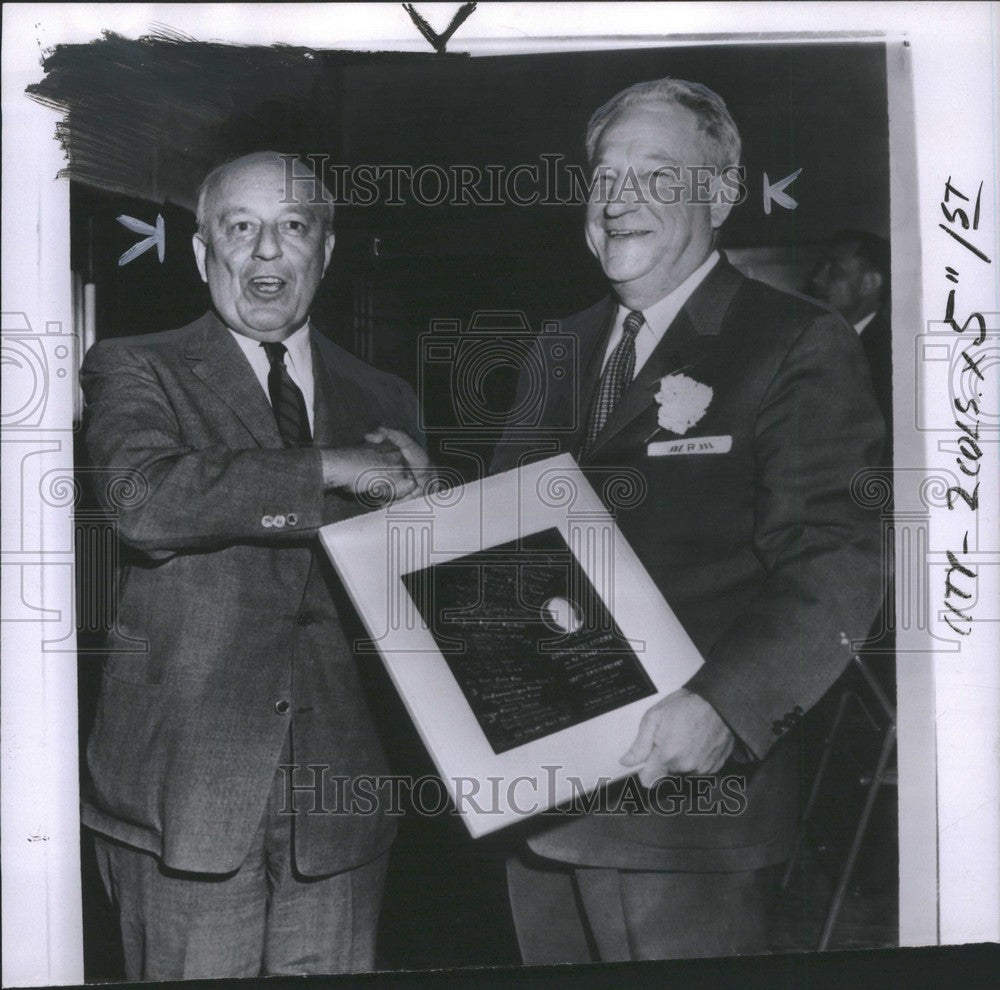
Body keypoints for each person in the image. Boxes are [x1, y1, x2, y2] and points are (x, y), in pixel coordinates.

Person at [490, 78, 885, 961]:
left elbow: (837, 557)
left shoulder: (794, 339)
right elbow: (517, 537)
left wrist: (725, 707)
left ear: (722, 192)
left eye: (657, 174)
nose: (619, 198)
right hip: (539, 803)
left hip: (686, 815)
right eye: (604, 174)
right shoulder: (558, 345)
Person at [80, 151, 428, 980]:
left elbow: (417, 586)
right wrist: (331, 468)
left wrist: (441, 498)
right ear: (206, 254)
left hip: (341, 803)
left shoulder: (386, 395)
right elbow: (145, 501)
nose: (267, 251)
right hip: (184, 801)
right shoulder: (136, 366)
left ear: (326, 250)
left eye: (293, 227)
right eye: (241, 228)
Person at [807, 229, 892, 454]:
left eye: (834, 270)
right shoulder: (816, 343)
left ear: (869, 283)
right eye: (820, 268)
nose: (817, 279)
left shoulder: (887, 356)